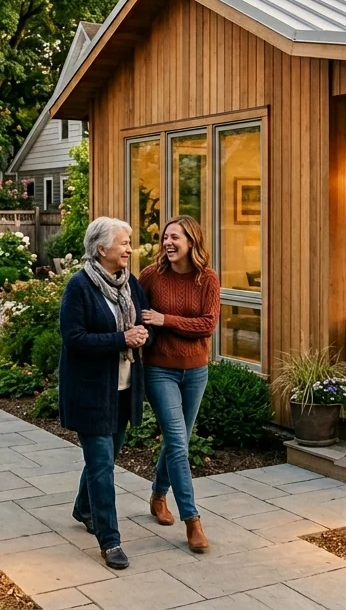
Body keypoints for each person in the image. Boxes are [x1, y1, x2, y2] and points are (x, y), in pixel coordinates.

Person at [58, 216, 150, 570]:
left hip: (124, 391)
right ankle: (110, 541)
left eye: (130, 242)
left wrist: (142, 336)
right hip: (91, 392)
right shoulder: (79, 287)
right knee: (101, 466)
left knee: (105, 459)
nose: (130, 248)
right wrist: (121, 339)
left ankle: (84, 508)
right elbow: (74, 339)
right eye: (124, 243)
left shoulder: (131, 285)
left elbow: (141, 324)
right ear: (101, 249)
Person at [138, 215, 220, 554]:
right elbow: (136, 314)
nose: (168, 243)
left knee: (179, 440)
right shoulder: (150, 277)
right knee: (176, 439)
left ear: (191, 241)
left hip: (196, 370)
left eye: (175, 237)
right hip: (159, 369)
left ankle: (158, 496)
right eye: (165, 237)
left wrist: (165, 319)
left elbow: (207, 324)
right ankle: (193, 520)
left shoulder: (208, 279)